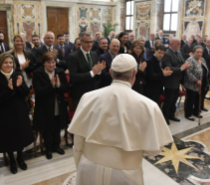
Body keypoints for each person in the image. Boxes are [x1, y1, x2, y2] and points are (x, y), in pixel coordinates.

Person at [68, 54, 173, 185]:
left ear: (111, 73)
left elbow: (78, 141)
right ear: (135, 73)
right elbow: (154, 149)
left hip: (88, 167)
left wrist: (81, 167)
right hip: (126, 173)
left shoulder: (87, 97)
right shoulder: (149, 105)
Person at [0, 53, 33, 174]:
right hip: (5, 113)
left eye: (10, 62)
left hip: (19, 110)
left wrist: (18, 87)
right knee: (9, 137)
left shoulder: (17, 75)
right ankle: (12, 159)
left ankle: (19, 157)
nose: (8, 65)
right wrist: (10, 89)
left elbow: (25, 92)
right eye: (5, 62)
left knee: (20, 136)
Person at [33, 52, 70, 159]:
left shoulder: (60, 71)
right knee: (47, 128)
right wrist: (51, 85)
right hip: (45, 106)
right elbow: (38, 91)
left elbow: (66, 88)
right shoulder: (37, 73)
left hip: (58, 104)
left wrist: (58, 85)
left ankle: (56, 146)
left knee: (57, 126)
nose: (51, 65)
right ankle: (48, 149)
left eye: (53, 62)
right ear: (44, 63)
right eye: (49, 63)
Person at [68, 32, 106, 107]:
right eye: (87, 42)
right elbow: (74, 77)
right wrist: (92, 73)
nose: (90, 44)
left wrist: (98, 72)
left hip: (93, 93)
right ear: (81, 42)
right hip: (80, 94)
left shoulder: (94, 54)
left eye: (91, 42)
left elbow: (96, 77)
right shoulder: (73, 56)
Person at [162, 38, 191, 124]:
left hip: (177, 80)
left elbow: (181, 62)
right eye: (178, 44)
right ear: (172, 44)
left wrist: (185, 65)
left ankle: (171, 115)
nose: (180, 45)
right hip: (170, 81)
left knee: (174, 99)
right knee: (168, 100)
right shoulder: (167, 54)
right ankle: (165, 117)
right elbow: (169, 67)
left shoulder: (179, 51)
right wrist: (182, 68)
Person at [183, 46, 210, 121]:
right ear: (194, 52)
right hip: (192, 84)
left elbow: (205, 69)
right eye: (197, 52)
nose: (199, 54)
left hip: (202, 83)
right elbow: (188, 72)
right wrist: (196, 80)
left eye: (200, 52)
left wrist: (209, 74)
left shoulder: (202, 59)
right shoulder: (190, 60)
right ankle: (188, 114)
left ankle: (196, 112)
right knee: (191, 99)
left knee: (199, 98)